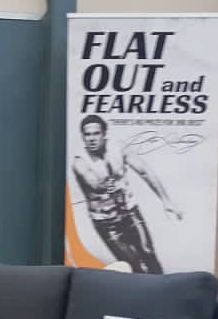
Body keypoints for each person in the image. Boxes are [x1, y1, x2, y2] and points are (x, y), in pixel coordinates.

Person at [71, 114, 182, 274]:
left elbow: (144, 171)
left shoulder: (118, 148)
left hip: (129, 212)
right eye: (87, 135)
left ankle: (162, 288)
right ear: (83, 137)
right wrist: (104, 185)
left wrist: (166, 201)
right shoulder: (80, 161)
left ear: (104, 134)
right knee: (133, 266)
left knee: (149, 254)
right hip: (106, 222)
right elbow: (92, 182)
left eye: (96, 133)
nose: (91, 139)